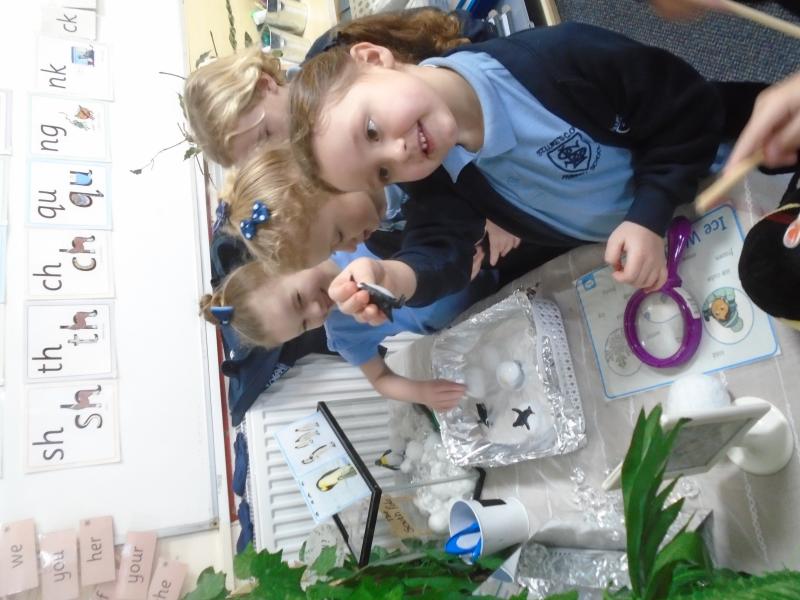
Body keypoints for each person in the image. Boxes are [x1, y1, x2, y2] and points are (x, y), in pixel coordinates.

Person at [288, 22, 725, 322]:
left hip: (729, 171)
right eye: (384, 172)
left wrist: (648, 213)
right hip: (683, 239)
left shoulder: (554, 59)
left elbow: (688, 108)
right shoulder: (442, 171)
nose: (397, 152)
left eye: (371, 129)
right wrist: (392, 277)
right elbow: (442, 248)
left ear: (373, 57)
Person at [199, 243, 498, 410]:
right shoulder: (344, 334)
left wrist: (460, 249)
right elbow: (380, 378)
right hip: (487, 311)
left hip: (494, 251)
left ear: (286, 262)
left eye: (299, 299)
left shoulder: (354, 235)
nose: (317, 311)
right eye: (304, 324)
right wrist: (421, 392)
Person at [220, 144, 385, 272]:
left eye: (339, 235)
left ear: (323, 178)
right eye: (334, 251)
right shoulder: (382, 244)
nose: (352, 248)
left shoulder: (390, 150)